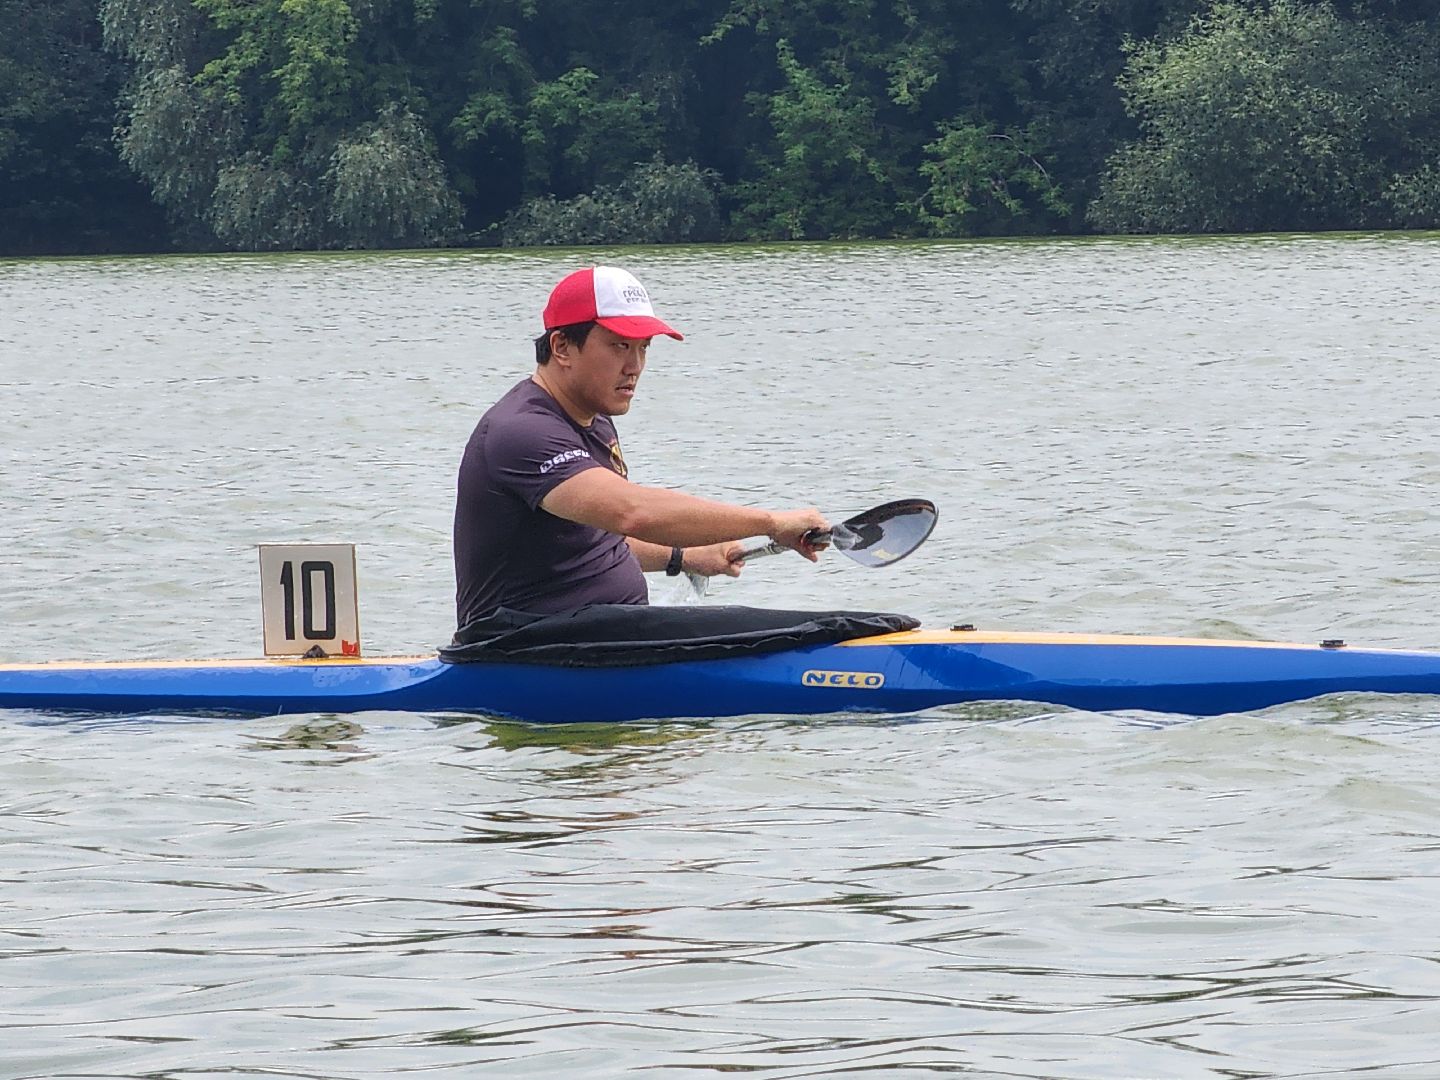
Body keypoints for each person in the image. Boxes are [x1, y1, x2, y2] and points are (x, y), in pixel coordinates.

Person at [453, 265, 828, 628]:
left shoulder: (594, 419)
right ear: (562, 346)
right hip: (521, 651)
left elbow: (589, 545)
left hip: (598, 640)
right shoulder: (522, 430)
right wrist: (770, 523)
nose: (634, 366)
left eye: (643, 347)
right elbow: (633, 513)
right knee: (796, 630)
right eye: (619, 346)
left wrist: (682, 556)